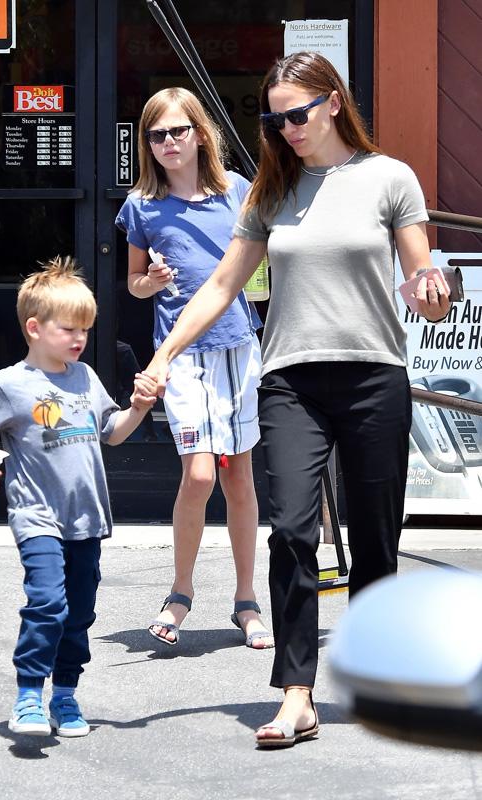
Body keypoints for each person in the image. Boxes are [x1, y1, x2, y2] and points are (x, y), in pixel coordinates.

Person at [139, 52, 451, 747]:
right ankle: (296, 693)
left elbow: (423, 278)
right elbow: (220, 287)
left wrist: (433, 291)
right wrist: (163, 357)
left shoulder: (387, 178)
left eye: (296, 115)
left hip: (373, 374)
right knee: (290, 530)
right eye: (272, 118)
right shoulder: (269, 192)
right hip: (289, 380)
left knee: (374, 538)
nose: (284, 129)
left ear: (332, 103)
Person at [0, 256, 156, 738]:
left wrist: (139, 407)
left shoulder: (85, 377)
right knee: (47, 603)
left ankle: (65, 694)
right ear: (34, 327)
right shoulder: (10, 384)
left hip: (87, 518)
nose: (79, 339)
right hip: (36, 514)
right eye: (69, 329)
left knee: (80, 611)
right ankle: (28, 694)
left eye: (84, 330)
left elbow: (111, 433)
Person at [115, 87, 273, 650]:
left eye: (178, 131)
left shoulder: (239, 192)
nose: (168, 143)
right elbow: (133, 285)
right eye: (156, 135)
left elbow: (265, 258)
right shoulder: (140, 205)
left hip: (237, 346)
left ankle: (247, 600)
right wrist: (148, 283)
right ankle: (180, 593)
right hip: (179, 356)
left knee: (239, 476)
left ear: (200, 133)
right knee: (200, 475)